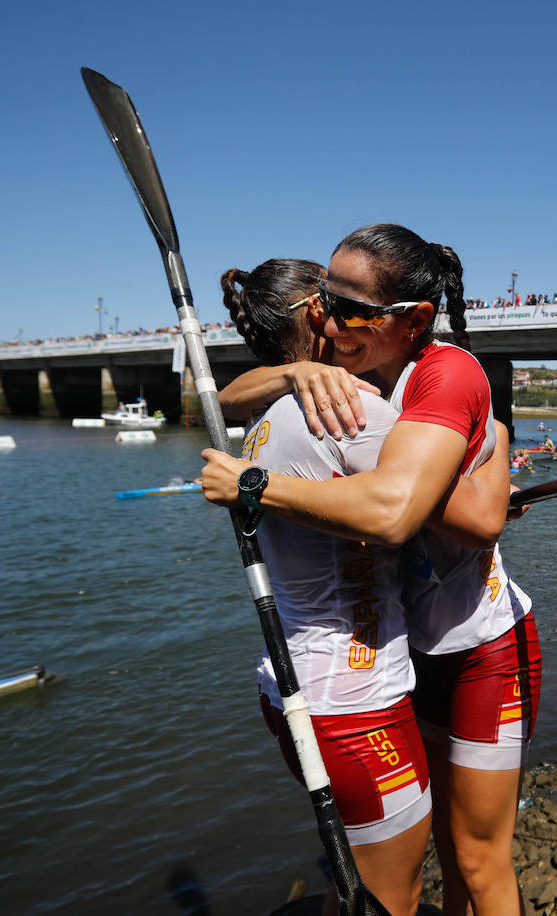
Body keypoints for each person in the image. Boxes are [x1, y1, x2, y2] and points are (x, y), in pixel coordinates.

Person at [203, 225, 539, 916]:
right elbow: (237, 393)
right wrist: (292, 375)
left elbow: (475, 520)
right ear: (308, 320)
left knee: (473, 860)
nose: (331, 319)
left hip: (481, 650)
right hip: (397, 662)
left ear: (409, 320)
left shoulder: (432, 377)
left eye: (345, 309)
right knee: (414, 866)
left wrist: (495, 439)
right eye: (323, 305)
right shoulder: (335, 394)